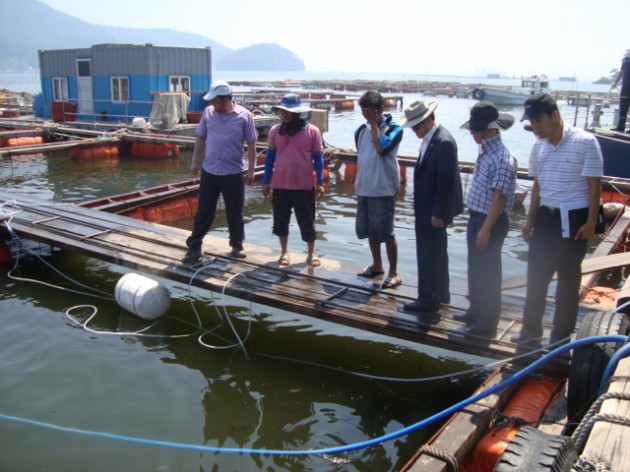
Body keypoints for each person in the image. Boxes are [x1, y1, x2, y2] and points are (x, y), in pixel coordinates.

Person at [512, 93, 603, 346]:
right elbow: (537, 187)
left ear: (554, 115)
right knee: (536, 278)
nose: (535, 128)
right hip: (546, 217)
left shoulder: (586, 142)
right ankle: (530, 330)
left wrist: (591, 223)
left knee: (567, 283)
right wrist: (529, 221)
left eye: (538, 121)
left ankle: (559, 339)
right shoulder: (537, 146)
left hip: (574, 219)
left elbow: (594, 187)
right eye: (531, 122)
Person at [456, 101, 518, 337]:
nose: (471, 133)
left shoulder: (502, 157)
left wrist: (485, 229)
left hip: (489, 221)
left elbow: (499, 198)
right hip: (477, 217)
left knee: (489, 272)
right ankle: (476, 310)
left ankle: (488, 323)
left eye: (474, 129)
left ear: (489, 130)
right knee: (475, 268)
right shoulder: (487, 151)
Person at [182, 81, 257, 264]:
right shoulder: (208, 113)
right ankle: (195, 246)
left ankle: (237, 244)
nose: (212, 103)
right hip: (210, 171)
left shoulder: (244, 116)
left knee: (235, 210)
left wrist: (251, 171)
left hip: (233, 172)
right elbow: (201, 138)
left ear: (225, 99)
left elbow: (252, 144)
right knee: (204, 211)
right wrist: (194, 161)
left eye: (214, 100)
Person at [401, 100, 463, 313]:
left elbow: (447, 180)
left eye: (416, 126)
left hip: (433, 210)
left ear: (428, 119)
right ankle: (441, 293)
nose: (414, 130)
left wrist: (438, 212)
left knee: (429, 253)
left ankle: (428, 298)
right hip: (426, 207)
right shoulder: (431, 139)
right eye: (412, 126)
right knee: (436, 252)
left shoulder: (443, 141)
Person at [262, 94, 325, 266]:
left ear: (297, 112)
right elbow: (270, 158)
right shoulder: (275, 131)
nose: (285, 114)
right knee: (281, 220)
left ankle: (311, 253)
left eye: (288, 111)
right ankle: (284, 252)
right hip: (280, 184)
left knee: (307, 220)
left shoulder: (312, 131)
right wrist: (266, 181)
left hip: (304, 185)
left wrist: (320, 182)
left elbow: (319, 159)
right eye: (282, 111)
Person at [353, 90, 404, 289]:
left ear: (380, 109)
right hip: (365, 188)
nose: (366, 116)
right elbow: (363, 155)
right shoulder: (360, 130)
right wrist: (369, 123)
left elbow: (381, 148)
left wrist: (374, 123)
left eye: (369, 113)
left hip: (383, 189)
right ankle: (377, 265)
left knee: (387, 233)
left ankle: (394, 272)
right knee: (370, 231)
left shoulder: (394, 128)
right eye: (363, 113)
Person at [610, 49, 630, 132]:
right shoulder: (625, 60)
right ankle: (620, 126)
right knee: (623, 108)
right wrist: (615, 82)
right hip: (625, 87)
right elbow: (621, 72)